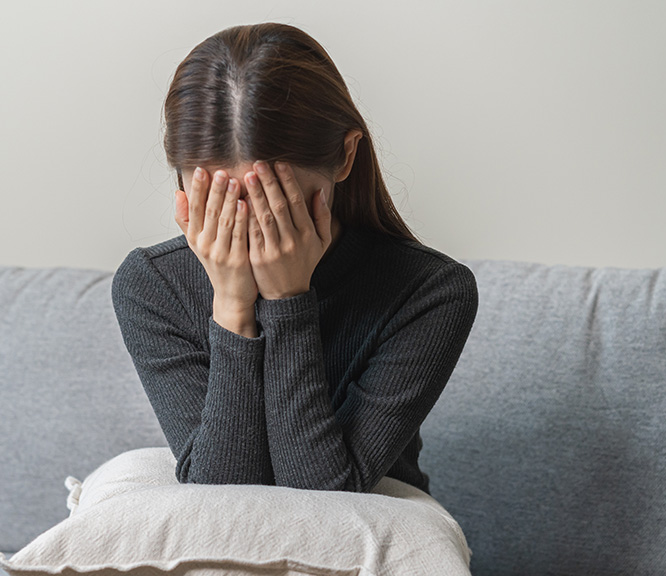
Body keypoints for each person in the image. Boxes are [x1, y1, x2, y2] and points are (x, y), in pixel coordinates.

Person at [111, 22, 478, 494]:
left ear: (344, 158)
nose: (252, 230)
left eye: (275, 204)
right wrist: (231, 307)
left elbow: (325, 493)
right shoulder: (152, 285)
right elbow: (220, 493)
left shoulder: (431, 292)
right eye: (222, 204)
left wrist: (288, 301)